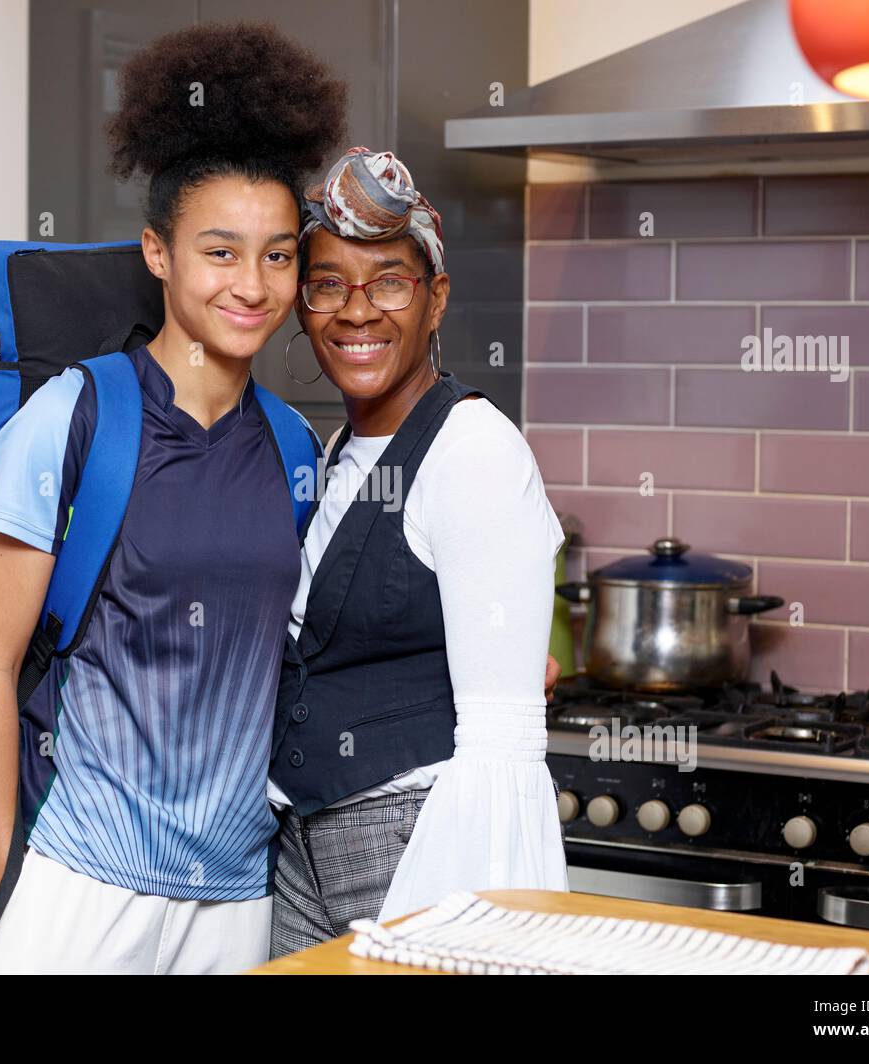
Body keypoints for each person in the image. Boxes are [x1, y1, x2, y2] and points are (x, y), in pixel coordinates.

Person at [0, 22, 345, 974]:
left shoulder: (296, 446)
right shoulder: (76, 418)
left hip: (233, 902)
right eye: (220, 251)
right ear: (159, 253)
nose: (251, 285)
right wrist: (7, 892)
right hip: (78, 886)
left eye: (279, 256)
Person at [267, 147, 569, 956]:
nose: (357, 311)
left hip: (412, 840)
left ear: (435, 300)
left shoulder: (473, 448)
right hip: (299, 844)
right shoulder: (336, 450)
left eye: (390, 283)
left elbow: (503, 744)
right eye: (328, 284)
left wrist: (470, 927)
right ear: (303, 305)